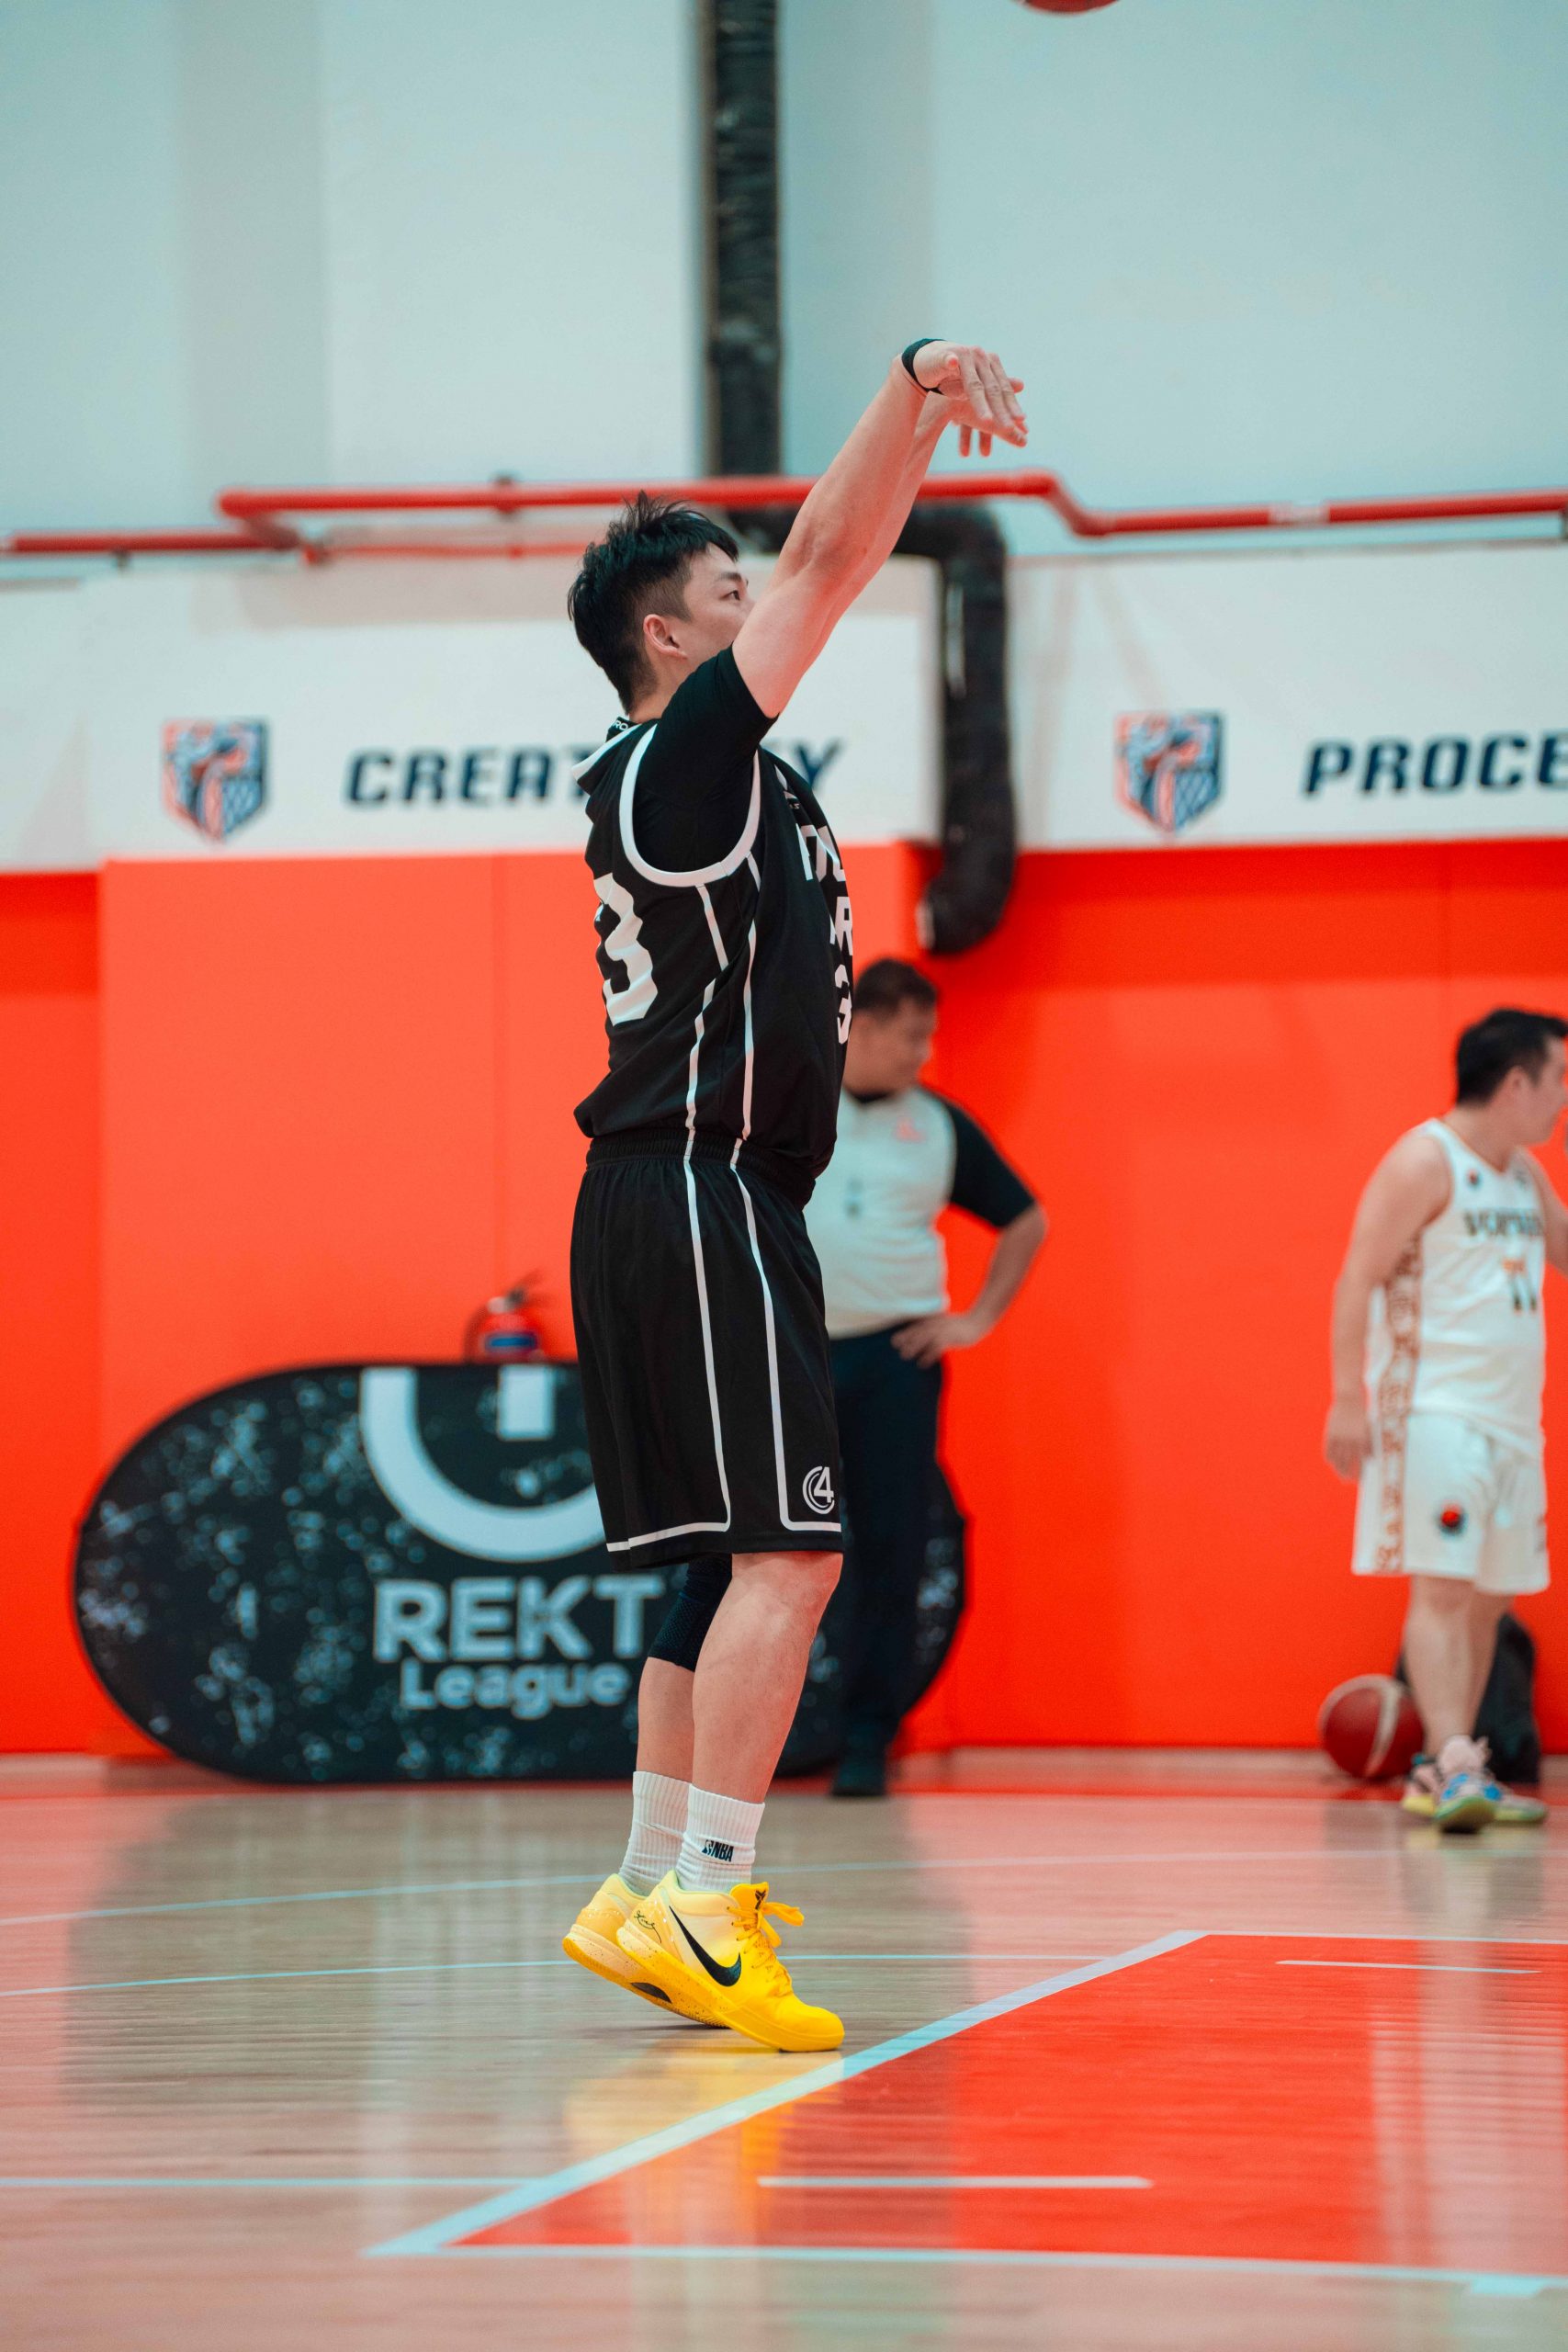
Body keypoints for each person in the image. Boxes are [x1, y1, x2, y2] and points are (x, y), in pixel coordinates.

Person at [558, 340, 1028, 2051]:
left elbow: (842, 552)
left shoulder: (712, 774)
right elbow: (831, 555)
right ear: (666, 638)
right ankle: (705, 1895)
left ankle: (641, 1888)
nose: (754, 602)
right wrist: (910, 381)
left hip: (676, 1195)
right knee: (792, 1561)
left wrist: (915, 434)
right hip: (699, 1189)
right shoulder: (682, 761)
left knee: (719, 1569)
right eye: (722, 592)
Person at [805, 957, 1045, 1795]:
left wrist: (974, 1319)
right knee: (777, 1549)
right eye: (912, 1036)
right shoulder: (792, 1104)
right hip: (794, 1357)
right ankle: (774, 1729)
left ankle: (867, 1737)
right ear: (864, 1027)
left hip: (894, 1360)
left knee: (891, 1542)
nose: (923, 1051)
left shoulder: (938, 1125)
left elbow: (1025, 1218)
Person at [1325, 1008, 1568, 1832]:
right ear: (1515, 1083)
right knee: (1441, 1585)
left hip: (1512, 1422)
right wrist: (1346, 1399)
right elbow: (1355, 1278)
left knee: (1490, 1598)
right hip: (1434, 1410)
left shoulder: (1522, 1175)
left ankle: (1451, 1766)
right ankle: (1452, 1759)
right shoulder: (1423, 1161)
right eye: (1558, 1080)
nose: (1562, 1099)